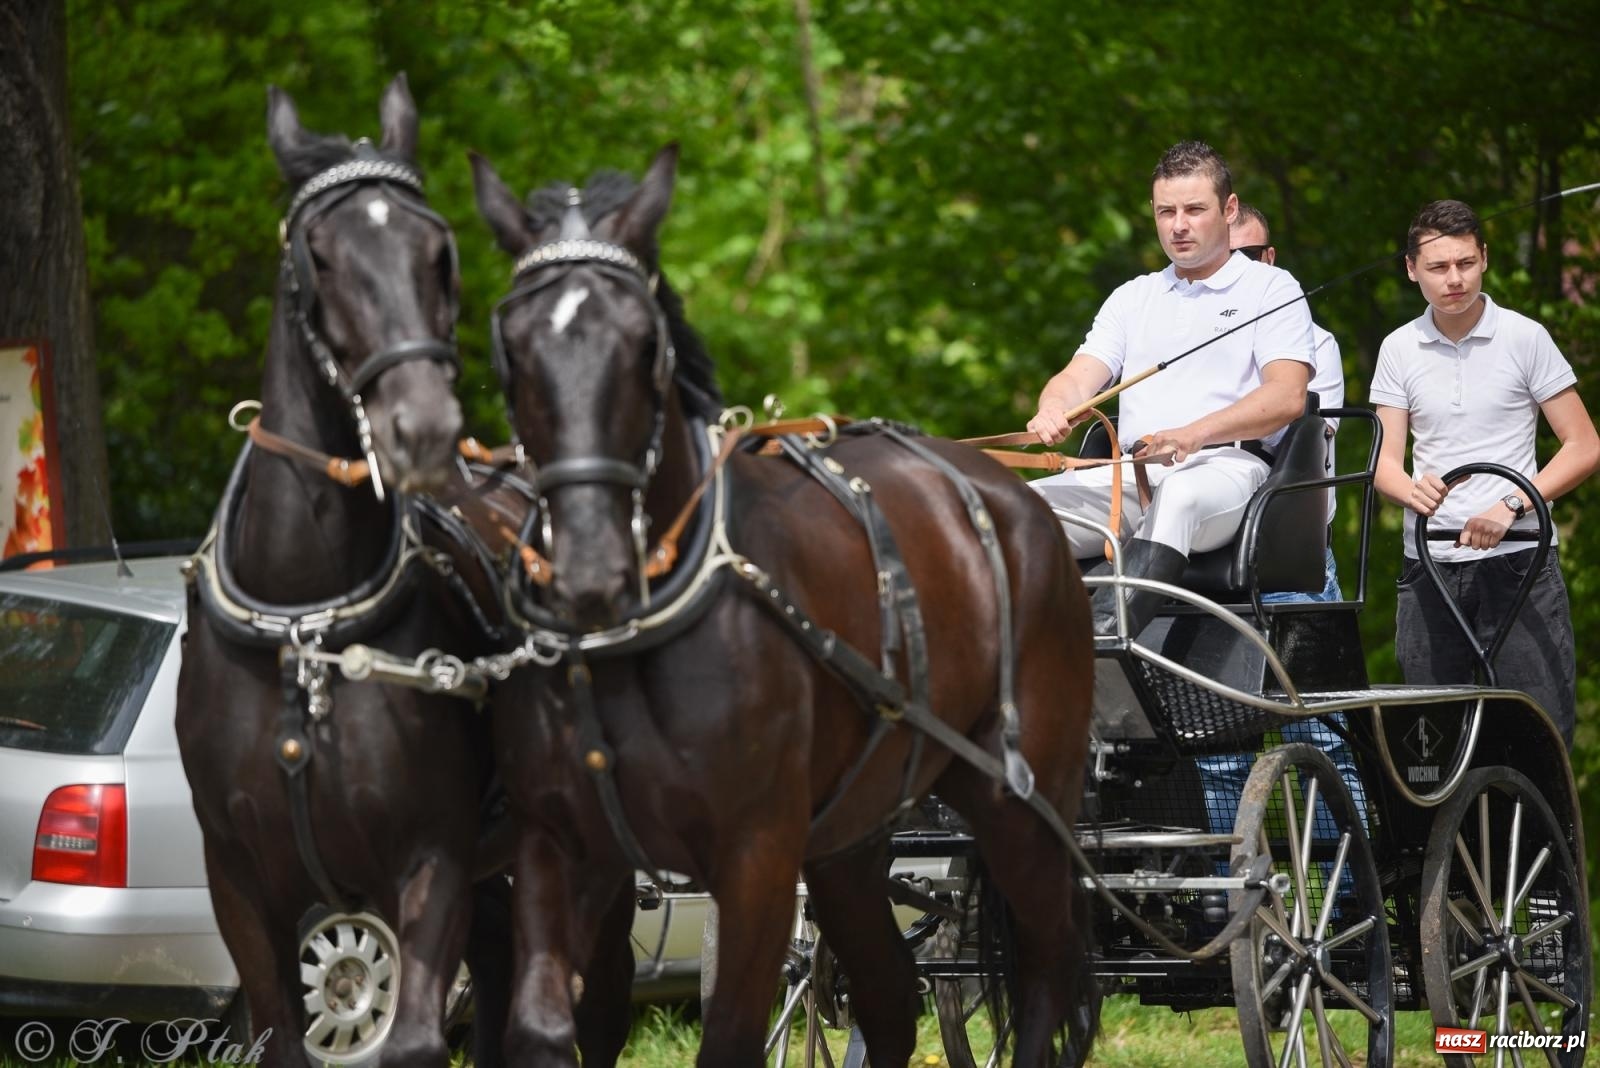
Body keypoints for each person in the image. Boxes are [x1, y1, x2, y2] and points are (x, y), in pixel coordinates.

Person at [1028, 141, 1315, 637]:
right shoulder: (1133, 296)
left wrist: (1192, 434)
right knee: (1013, 510)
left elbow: (1287, 396)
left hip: (1226, 472)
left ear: (1228, 209)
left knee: (1178, 495)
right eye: (1166, 212)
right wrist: (1054, 406)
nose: (1178, 225)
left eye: (1194, 210)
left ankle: (1106, 642)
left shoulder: (1272, 288)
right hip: (1128, 476)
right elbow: (1078, 377)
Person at [1371, 199, 1597, 748]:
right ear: (1412, 269)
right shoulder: (1398, 347)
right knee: (1429, 745)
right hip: (1429, 563)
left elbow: (1584, 445)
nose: (1454, 279)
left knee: (1536, 739)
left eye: (1465, 263)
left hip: (1519, 561)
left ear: (1485, 259)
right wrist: (1411, 490)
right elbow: (1383, 464)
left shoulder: (1525, 336)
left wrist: (1513, 504)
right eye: (1438, 267)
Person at [1198, 202, 1367, 849]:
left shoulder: (1311, 343)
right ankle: (1224, 891)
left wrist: (1200, 428)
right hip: (1208, 561)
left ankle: (1348, 892)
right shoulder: (1190, 343)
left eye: (1247, 255)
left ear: (1270, 261)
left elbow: (1284, 430)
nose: (1234, 269)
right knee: (1214, 746)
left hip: (1290, 559)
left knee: (1320, 736)